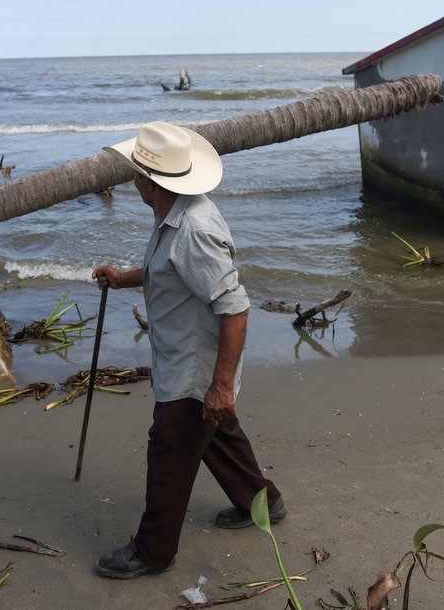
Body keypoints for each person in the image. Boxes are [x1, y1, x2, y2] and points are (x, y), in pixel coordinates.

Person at [91, 121, 286, 580]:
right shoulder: (173, 214)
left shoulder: (193, 228)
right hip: (188, 362)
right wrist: (123, 278)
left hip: (195, 374)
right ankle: (264, 502)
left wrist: (219, 386)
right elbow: (170, 270)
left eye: (137, 173)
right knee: (218, 438)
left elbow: (235, 308)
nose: (133, 180)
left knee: (169, 454)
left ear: (150, 183)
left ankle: (152, 551)